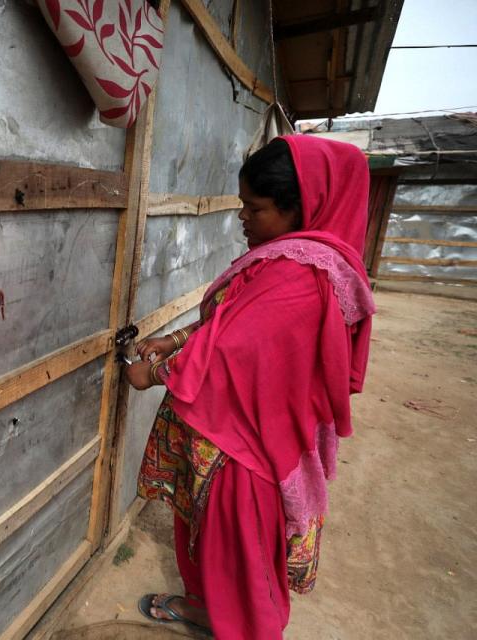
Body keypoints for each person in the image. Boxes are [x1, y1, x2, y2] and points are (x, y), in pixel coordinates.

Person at [124, 135, 375, 639]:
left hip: (247, 445)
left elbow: (232, 351)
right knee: (207, 540)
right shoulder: (285, 259)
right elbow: (235, 316)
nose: (242, 218)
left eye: (254, 208)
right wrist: (174, 338)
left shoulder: (302, 276)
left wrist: (151, 373)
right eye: (242, 204)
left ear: (301, 208)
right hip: (227, 429)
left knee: (242, 554)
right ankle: (206, 610)